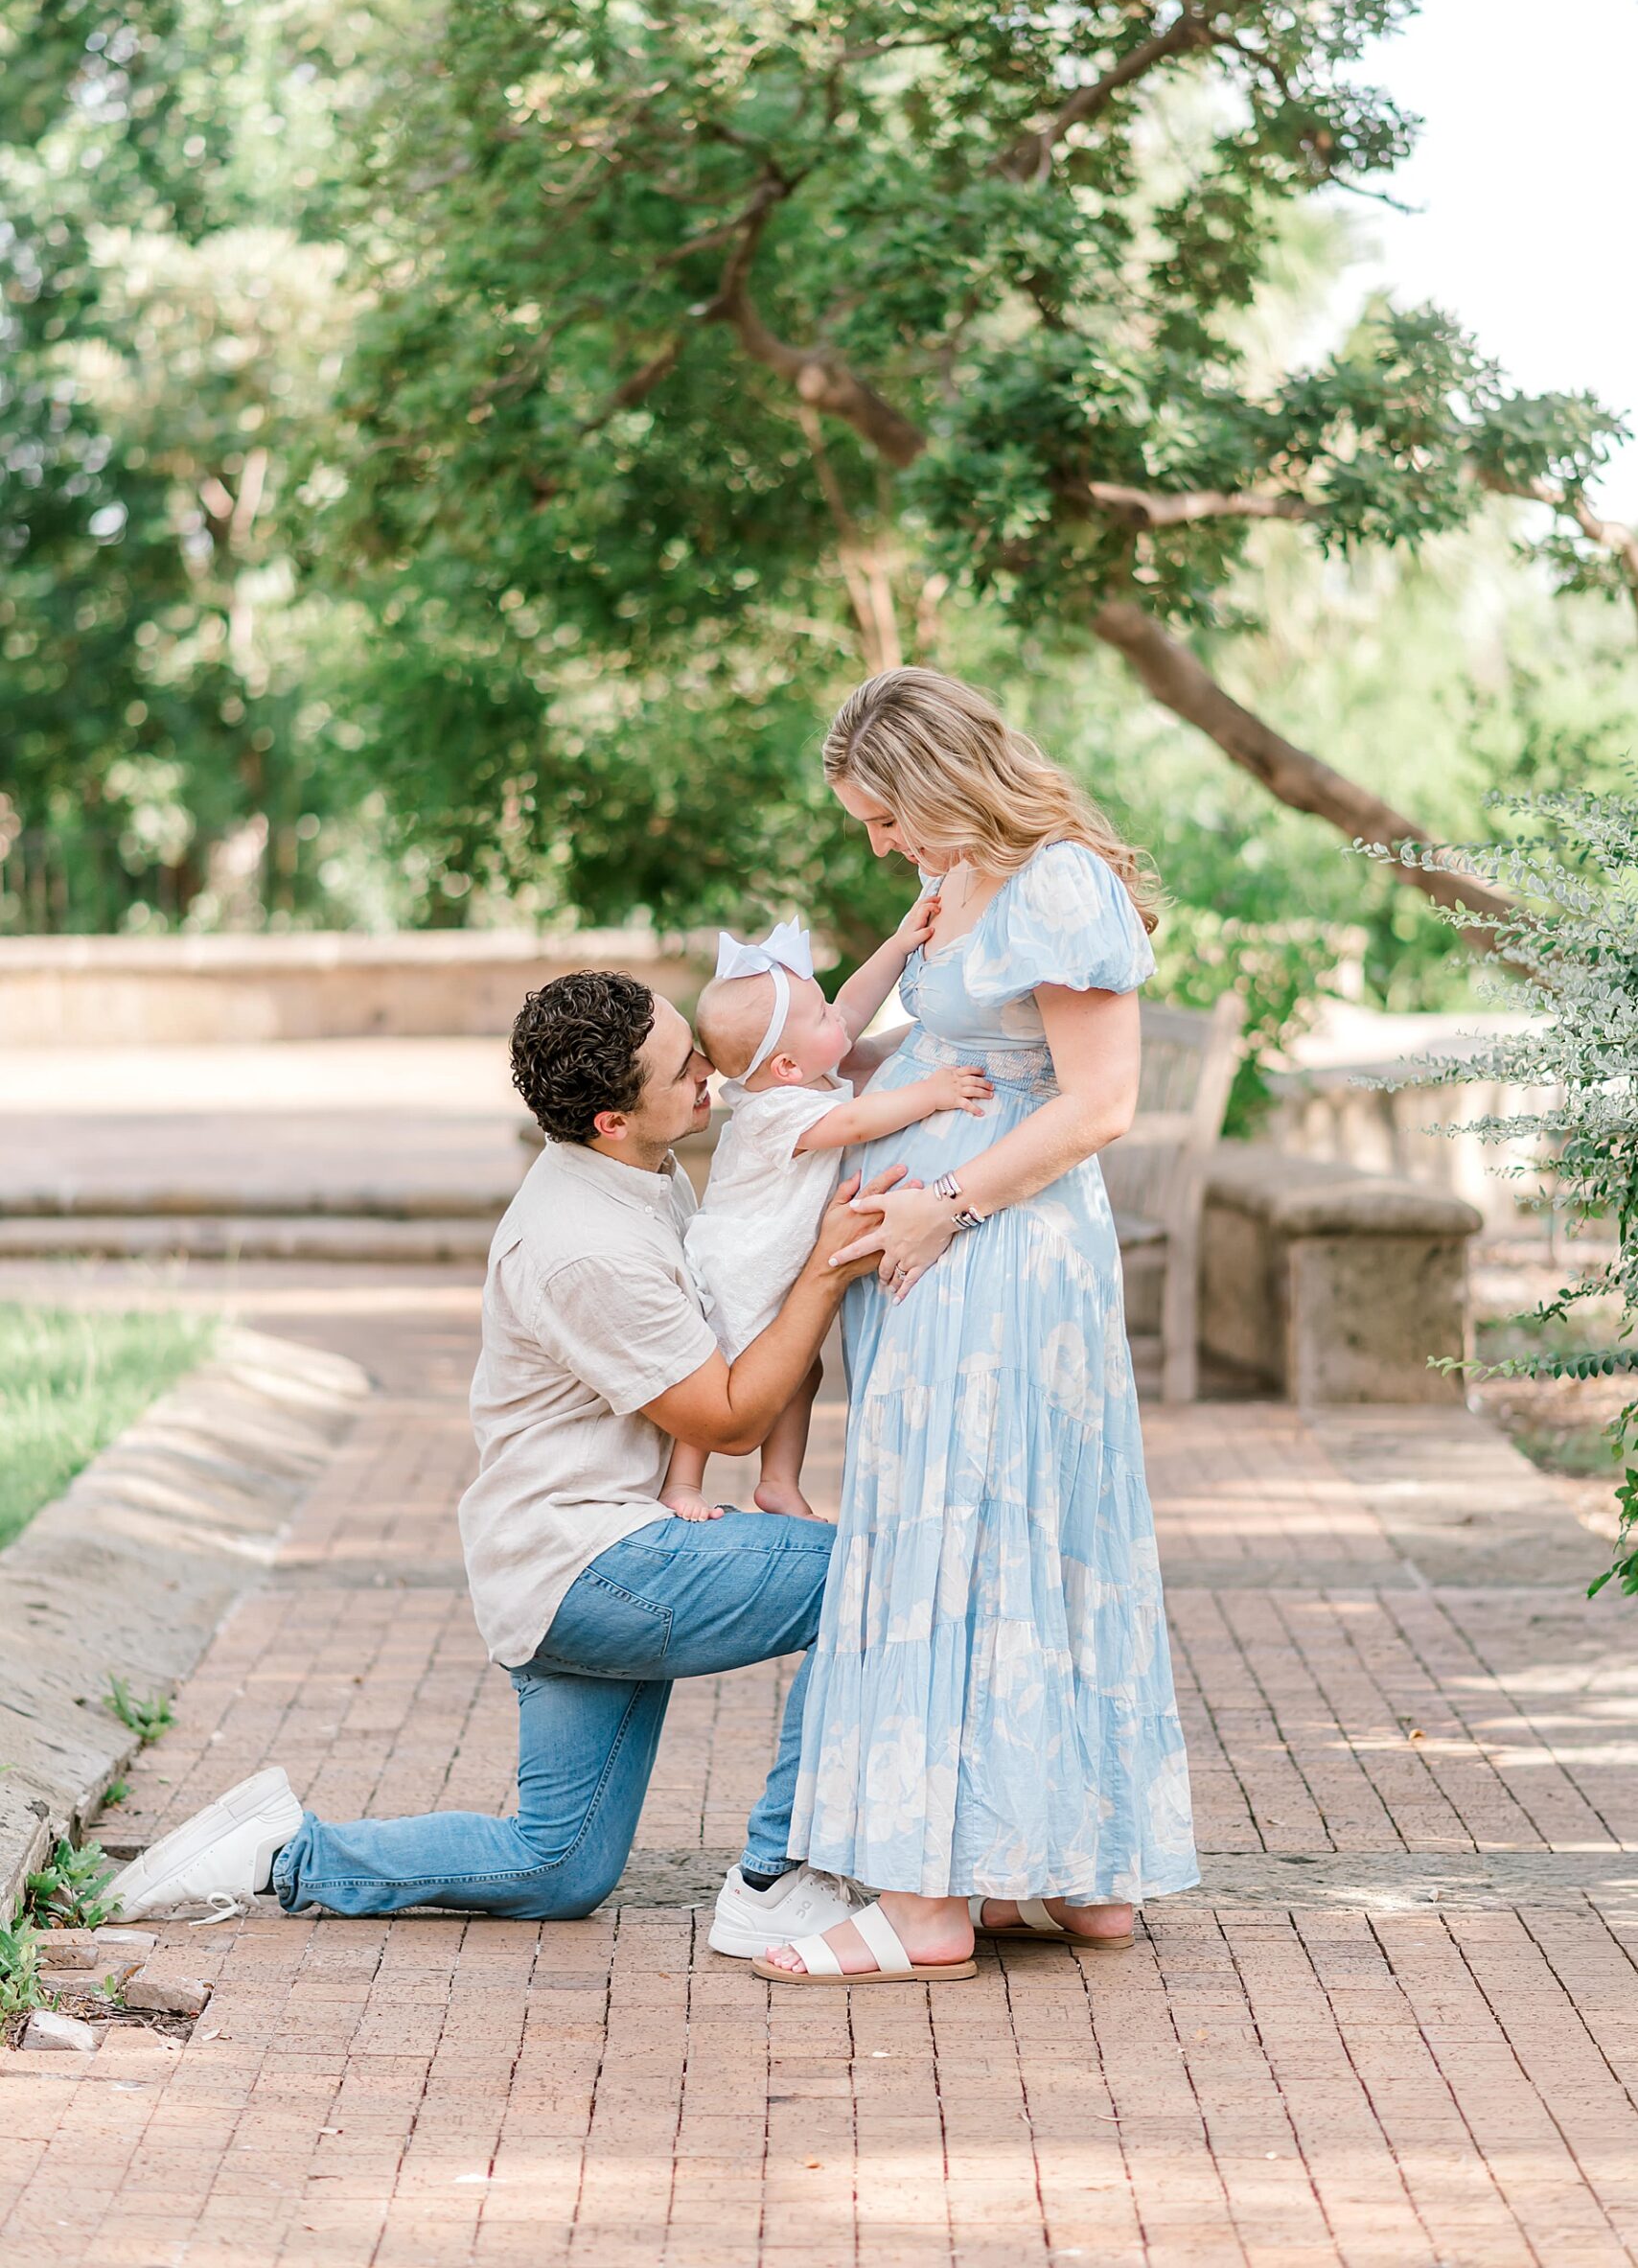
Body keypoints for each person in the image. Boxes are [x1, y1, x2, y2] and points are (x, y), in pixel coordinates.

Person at [105, 970, 893, 1959]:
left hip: (554, 1559)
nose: (709, 1069)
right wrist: (826, 1265)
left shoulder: (639, 1168)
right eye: (682, 1067)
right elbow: (730, 1419)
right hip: (592, 1565)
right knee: (872, 1571)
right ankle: (779, 1877)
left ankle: (281, 1850)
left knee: (554, 1868)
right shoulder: (585, 1246)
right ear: (611, 1119)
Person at [756, 667, 1200, 1988]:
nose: (879, 844)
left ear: (942, 784)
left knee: (963, 1534)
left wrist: (940, 1206)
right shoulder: (958, 880)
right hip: (947, 1252)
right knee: (1004, 1532)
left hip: (997, 1254)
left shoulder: (1057, 883)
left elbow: (1099, 1102)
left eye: (885, 816)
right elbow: (910, 1045)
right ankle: (1058, 1872)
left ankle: (923, 1909)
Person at [662, 909, 991, 1522]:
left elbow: (852, 1006)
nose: (835, 1017)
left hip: (778, 1262)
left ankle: (778, 1483)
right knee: (719, 1368)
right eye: (820, 1016)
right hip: (741, 1263)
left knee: (799, 1372)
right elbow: (855, 1122)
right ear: (786, 1066)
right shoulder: (771, 1112)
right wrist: (933, 1093)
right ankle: (682, 1482)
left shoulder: (803, 1071)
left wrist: (897, 945)